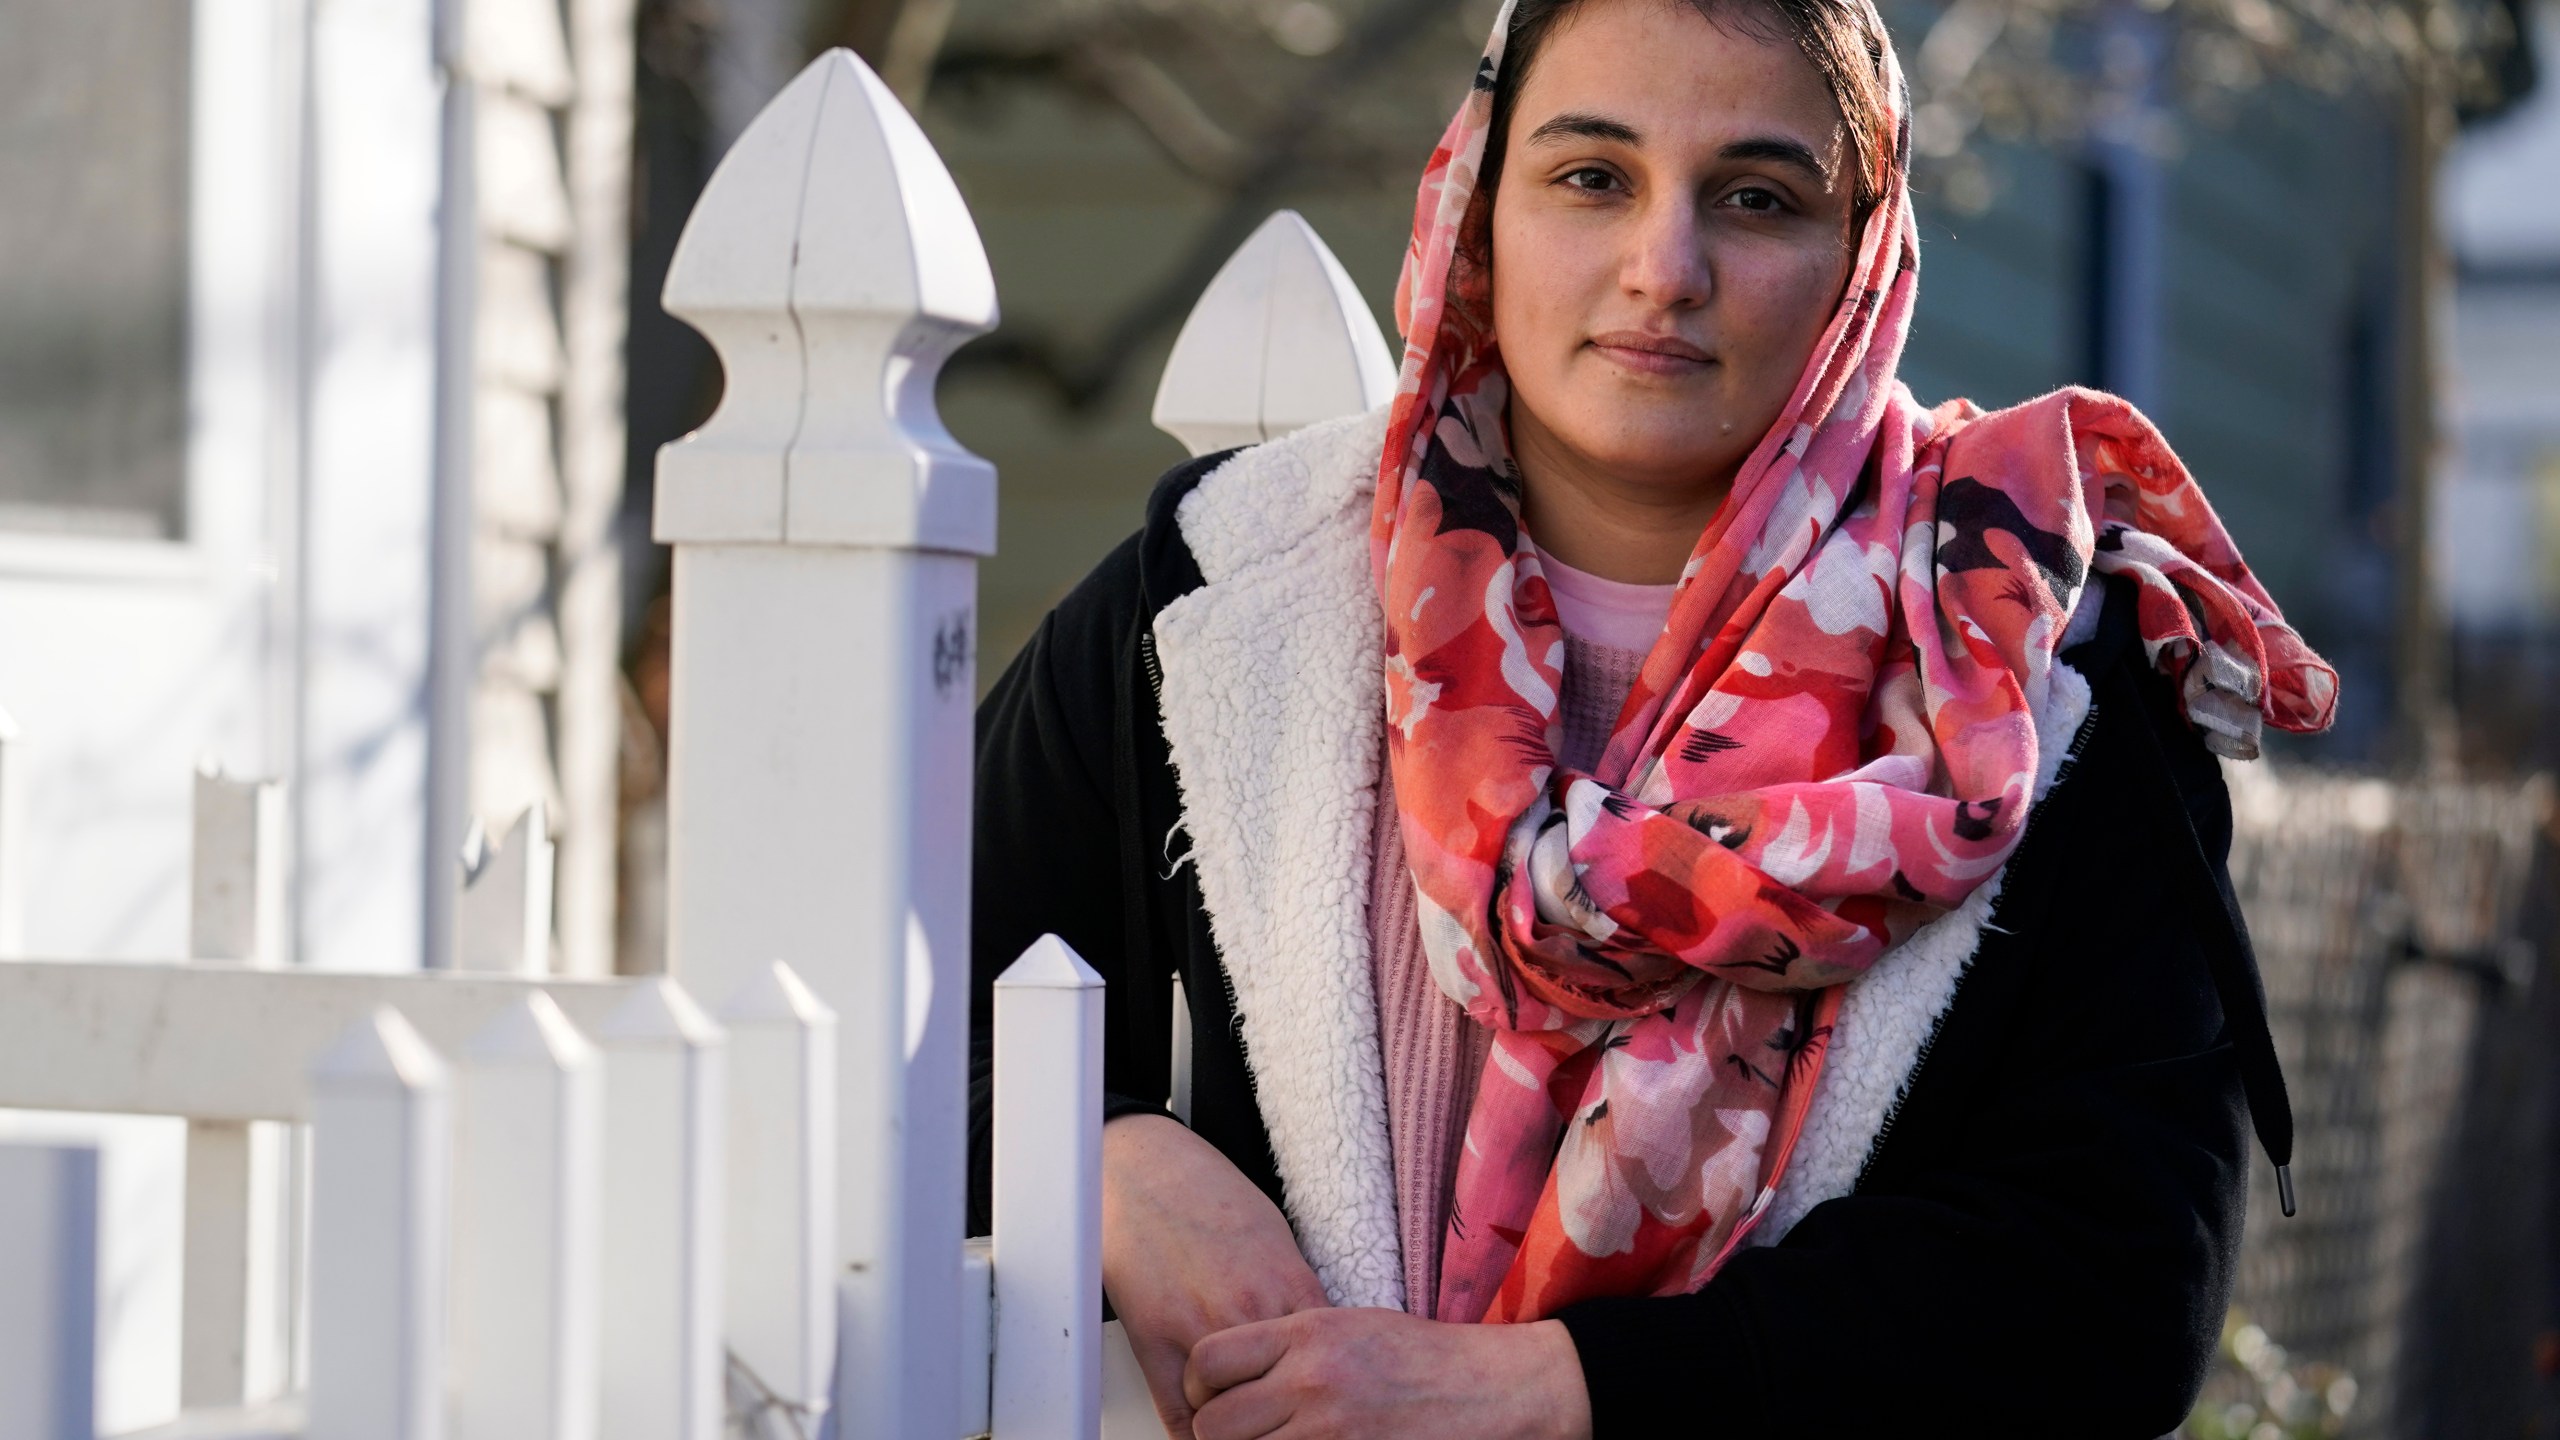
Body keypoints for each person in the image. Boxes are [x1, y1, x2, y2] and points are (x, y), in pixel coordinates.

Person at [969, 0, 2339, 1432]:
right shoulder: (1227, 600)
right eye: (1591, 176)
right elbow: (899, 1013)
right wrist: (1103, 1159)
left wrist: (1566, 1393)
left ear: (1864, 253)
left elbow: (2118, 1282)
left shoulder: (2035, 674)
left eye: (1756, 198)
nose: (1662, 268)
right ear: (1482, 201)